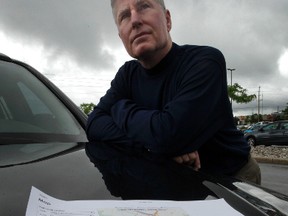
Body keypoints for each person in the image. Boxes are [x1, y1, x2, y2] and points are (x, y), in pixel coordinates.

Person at [86, 0, 261, 198]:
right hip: (175, 179)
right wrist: (151, 144)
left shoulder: (205, 61)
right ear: (121, 36)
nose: (135, 20)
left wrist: (119, 108)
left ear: (167, 20)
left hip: (231, 178)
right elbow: (94, 124)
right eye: (124, 16)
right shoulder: (127, 75)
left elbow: (168, 135)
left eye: (144, 6)